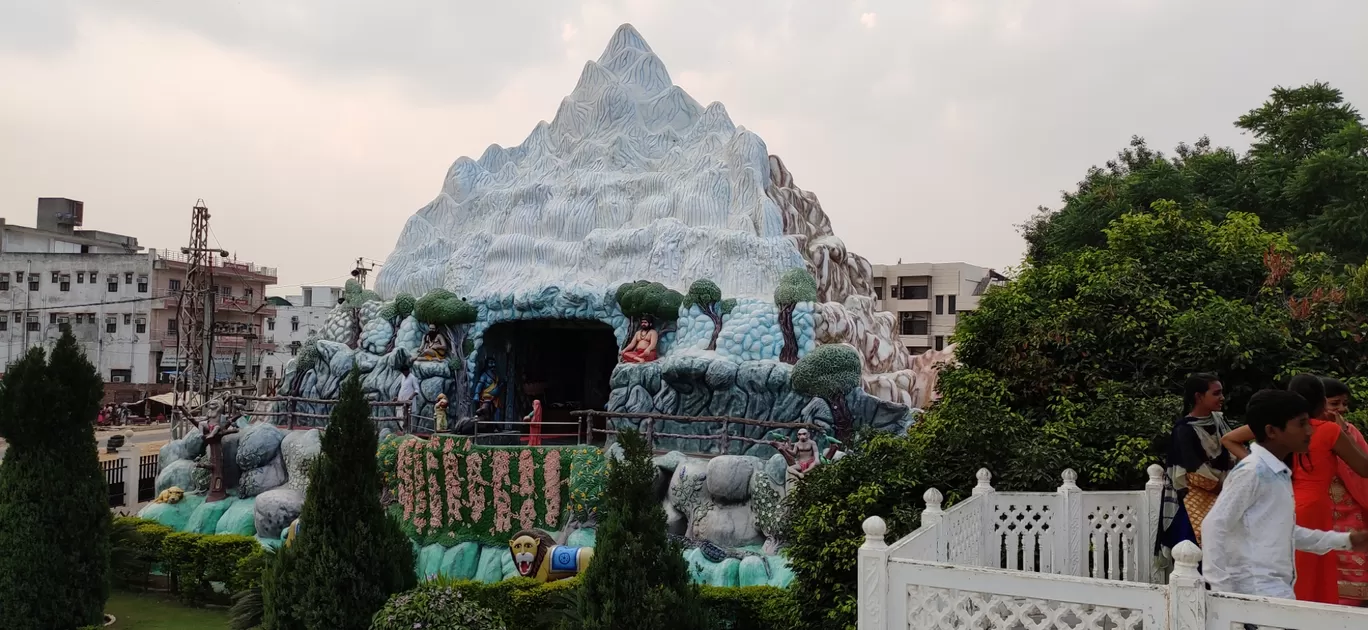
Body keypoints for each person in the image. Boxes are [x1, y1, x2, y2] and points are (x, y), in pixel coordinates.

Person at [1202, 388, 1368, 599]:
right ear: (1272, 431)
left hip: (1276, 591)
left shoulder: (1277, 473)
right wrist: (1221, 592)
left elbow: (1285, 531)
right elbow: (1214, 526)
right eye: (1301, 424)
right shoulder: (1253, 472)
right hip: (1254, 594)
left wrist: (1345, 540)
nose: (1310, 431)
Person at [1158, 373, 1234, 563]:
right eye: (1216, 393)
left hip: (1225, 497)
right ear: (1199, 397)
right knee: (1196, 558)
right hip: (1196, 501)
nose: (1222, 398)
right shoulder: (1183, 430)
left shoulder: (1220, 421)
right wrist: (1224, 486)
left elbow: (1233, 451)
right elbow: (1193, 471)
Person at [1323, 377, 1368, 605]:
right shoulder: (1302, 434)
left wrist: (1344, 437)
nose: (1342, 409)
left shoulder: (1351, 432)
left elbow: (1363, 471)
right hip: (1318, 514)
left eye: (1344, 403)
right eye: (1335, 403)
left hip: (1353, 512)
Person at [396, 364, 420, 430]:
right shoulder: (403, 377)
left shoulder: (412, 378)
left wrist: (411, 396)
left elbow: (417, 389)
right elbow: (403, 388)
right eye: (403, 372)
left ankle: (409, 431)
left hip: (408, 402)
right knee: (401, 416)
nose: (404, 374)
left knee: (407, 416)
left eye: (404, 372)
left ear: (408, 370)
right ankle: (403, 430)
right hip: (402, 400)